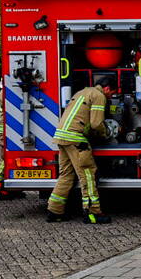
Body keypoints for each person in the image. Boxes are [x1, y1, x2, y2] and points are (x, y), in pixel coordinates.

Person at [47, 76, 115, 224]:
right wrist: (107, 133)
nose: (111, 96)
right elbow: (96, 123)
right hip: (76, 139)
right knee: (88, 175)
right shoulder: (99, 96)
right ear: (107, 88)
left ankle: (54, 211)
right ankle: (93, 213)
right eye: (112, 93)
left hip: (61, 137)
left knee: (66, 174)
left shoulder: (82, 92)